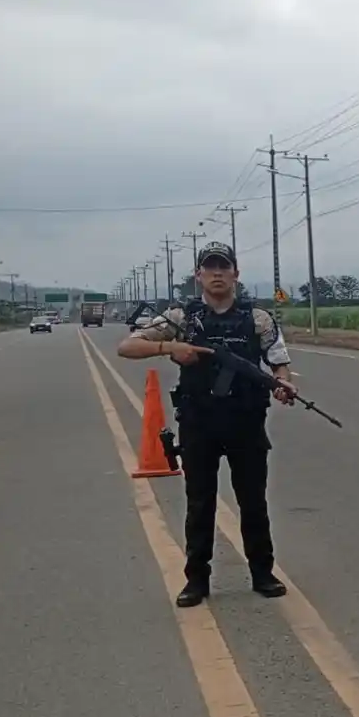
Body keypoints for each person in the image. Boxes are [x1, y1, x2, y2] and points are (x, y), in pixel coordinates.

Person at [117, 241, 298, 607]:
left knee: (253, 502)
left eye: (224, 266)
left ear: (235, 274)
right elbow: (127, 347)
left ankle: (263, 573)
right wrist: (170, 348)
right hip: (199, 422)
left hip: (246, 421)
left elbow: (279, 363)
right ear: (198, 275)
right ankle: (196, 580)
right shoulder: (181, 318)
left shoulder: (258, 319)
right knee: (200, 503)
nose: (217, 273)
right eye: (210, 267)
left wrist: (282, 383)